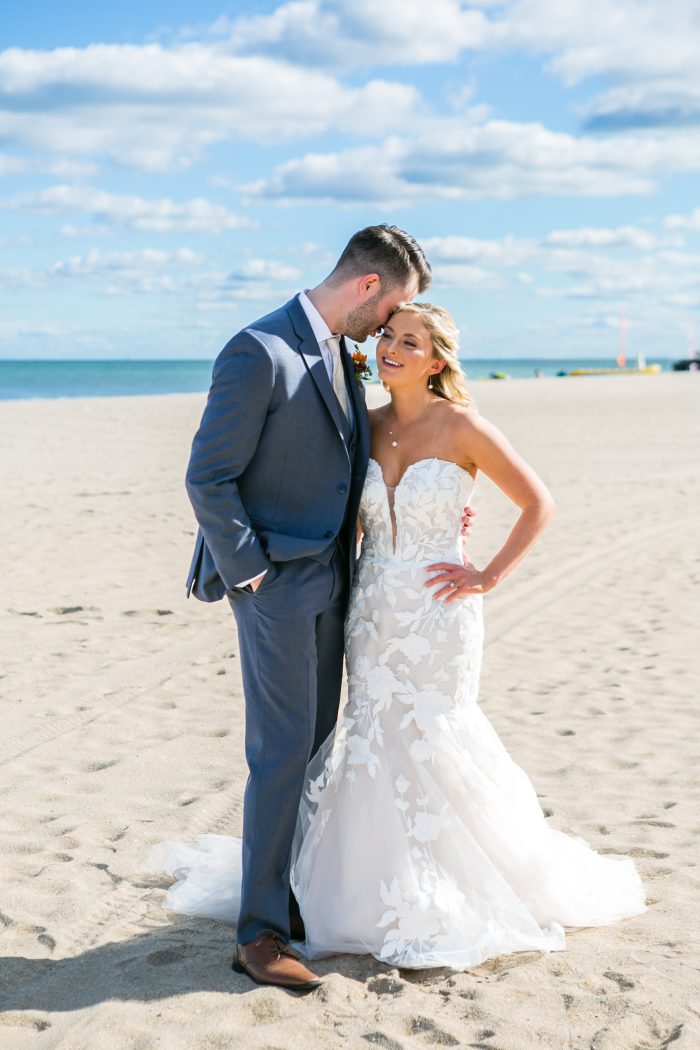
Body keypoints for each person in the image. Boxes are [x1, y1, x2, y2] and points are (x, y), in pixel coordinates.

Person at [152, 300, 647, 975]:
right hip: (373, 606)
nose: (391, 347)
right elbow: (339, 513)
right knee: (371, 732)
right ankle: (348, 889)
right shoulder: (365, 425)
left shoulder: (465, 427)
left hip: (440, 612)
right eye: (387, 334)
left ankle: (453, 882)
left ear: (437, 360)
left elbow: (539, 502)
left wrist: (488, 573)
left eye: (410, 341)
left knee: (436, 731)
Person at [162, 227, 467, 992]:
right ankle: (260, 935)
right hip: (278, 591)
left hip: (344, 585)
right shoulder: (258, 350)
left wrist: (426, 510)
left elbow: (347, 461)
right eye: (393, 307)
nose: (391, 327)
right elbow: (209, 478)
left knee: (322, 751)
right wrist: (255, 579)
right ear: (370, 288)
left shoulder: (334, 349)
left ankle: (296, 899)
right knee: (279, 756)